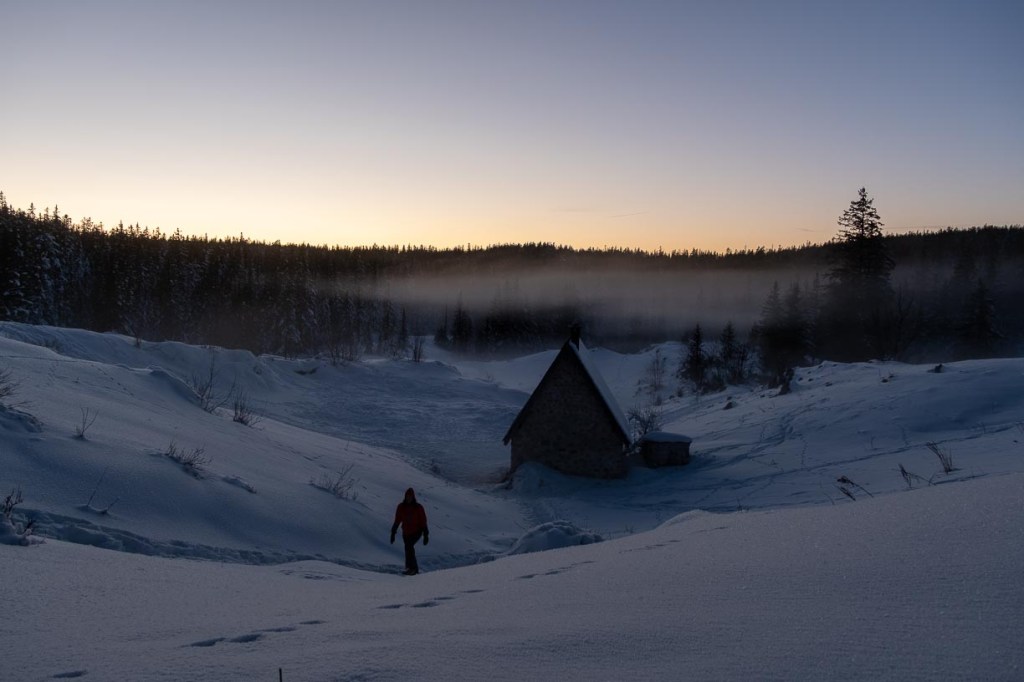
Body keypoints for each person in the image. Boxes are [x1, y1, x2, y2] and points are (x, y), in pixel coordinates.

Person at [390, 487, 429, 575]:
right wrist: (393, 533)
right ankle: (409, 568)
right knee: (407, 549)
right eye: (407, 496)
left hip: (417, 531)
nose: (408, 498)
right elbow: (397, 520)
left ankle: (413, 569)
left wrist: (425, 534)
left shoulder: (418, 507)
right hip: (406, 532)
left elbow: (423, 520)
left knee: (409, 546)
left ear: (413, 497)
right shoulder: (401, 507)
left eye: (410, 496)